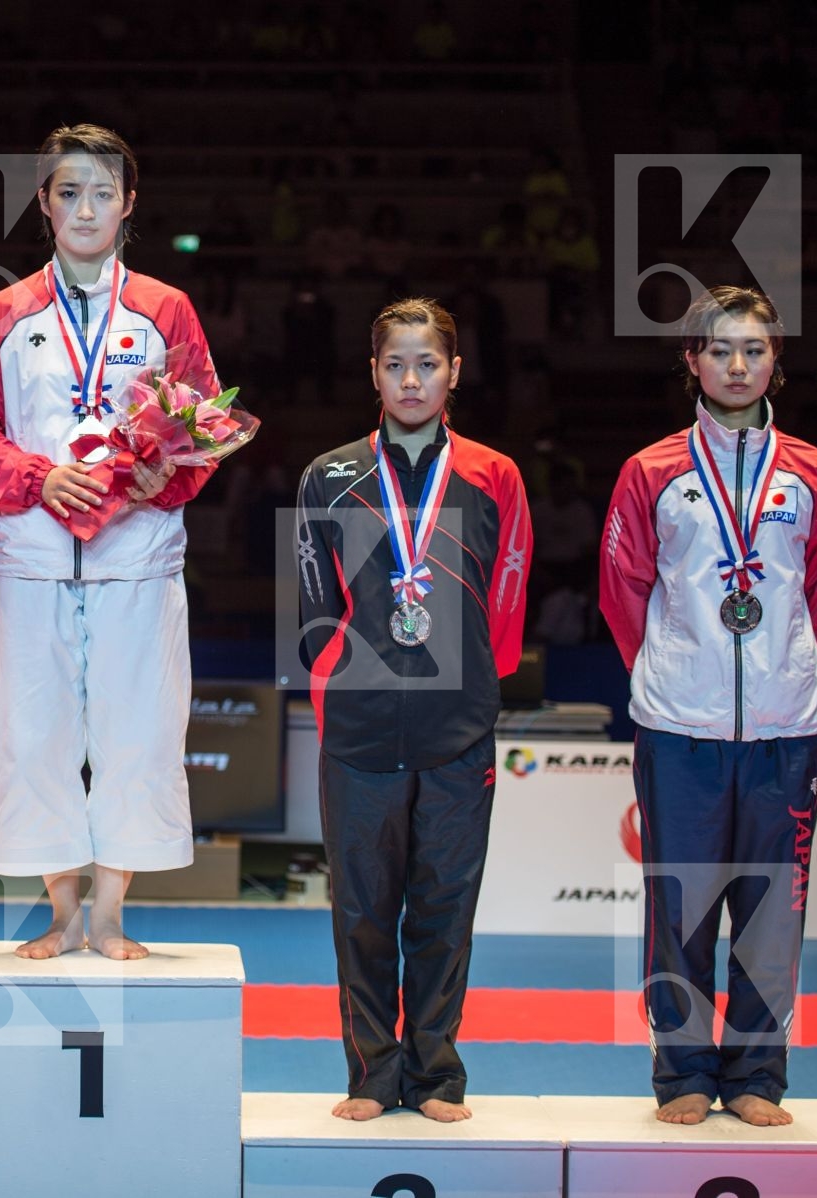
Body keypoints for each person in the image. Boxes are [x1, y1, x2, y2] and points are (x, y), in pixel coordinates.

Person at [0, 123, 221, 961]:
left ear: (129, 204)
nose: (86, 208)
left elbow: (202, 426)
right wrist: (38, 477)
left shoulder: (165, 309)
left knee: (139, 729)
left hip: (135, 557)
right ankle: (60, 906)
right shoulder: (2, 313)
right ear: (44, 204)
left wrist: (161, 478)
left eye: (103, 192)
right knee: (33, 734)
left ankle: (109, 912)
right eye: (69, 192)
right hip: (33, 556)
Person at [600, 286, 817, 1128]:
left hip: (785, 726)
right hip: (680, 726)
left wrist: (784, 667)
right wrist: (677, 673)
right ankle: (680, 1075)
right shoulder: (651, 471)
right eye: (720, 350)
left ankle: (757, 1074)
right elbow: (623, 590)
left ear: (776, 358)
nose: (737, 365)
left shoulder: (815, 471)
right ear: (691, 362)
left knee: (772, 903)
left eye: (753, 349)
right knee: (680, 904)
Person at [295, 297, 532, 1123]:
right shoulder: (328, 475)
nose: (410, 378)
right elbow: (313, 615)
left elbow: (508, 601)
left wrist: (467, 688)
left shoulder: (493, 475)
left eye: (426, 363)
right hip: (358, 732)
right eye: (395, 363)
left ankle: (434, 1075)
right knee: (361, 911)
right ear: (372, 373)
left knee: (444, 908)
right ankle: (370, 1073)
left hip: (459, 730)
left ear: (454, 372)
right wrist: (351, 690)